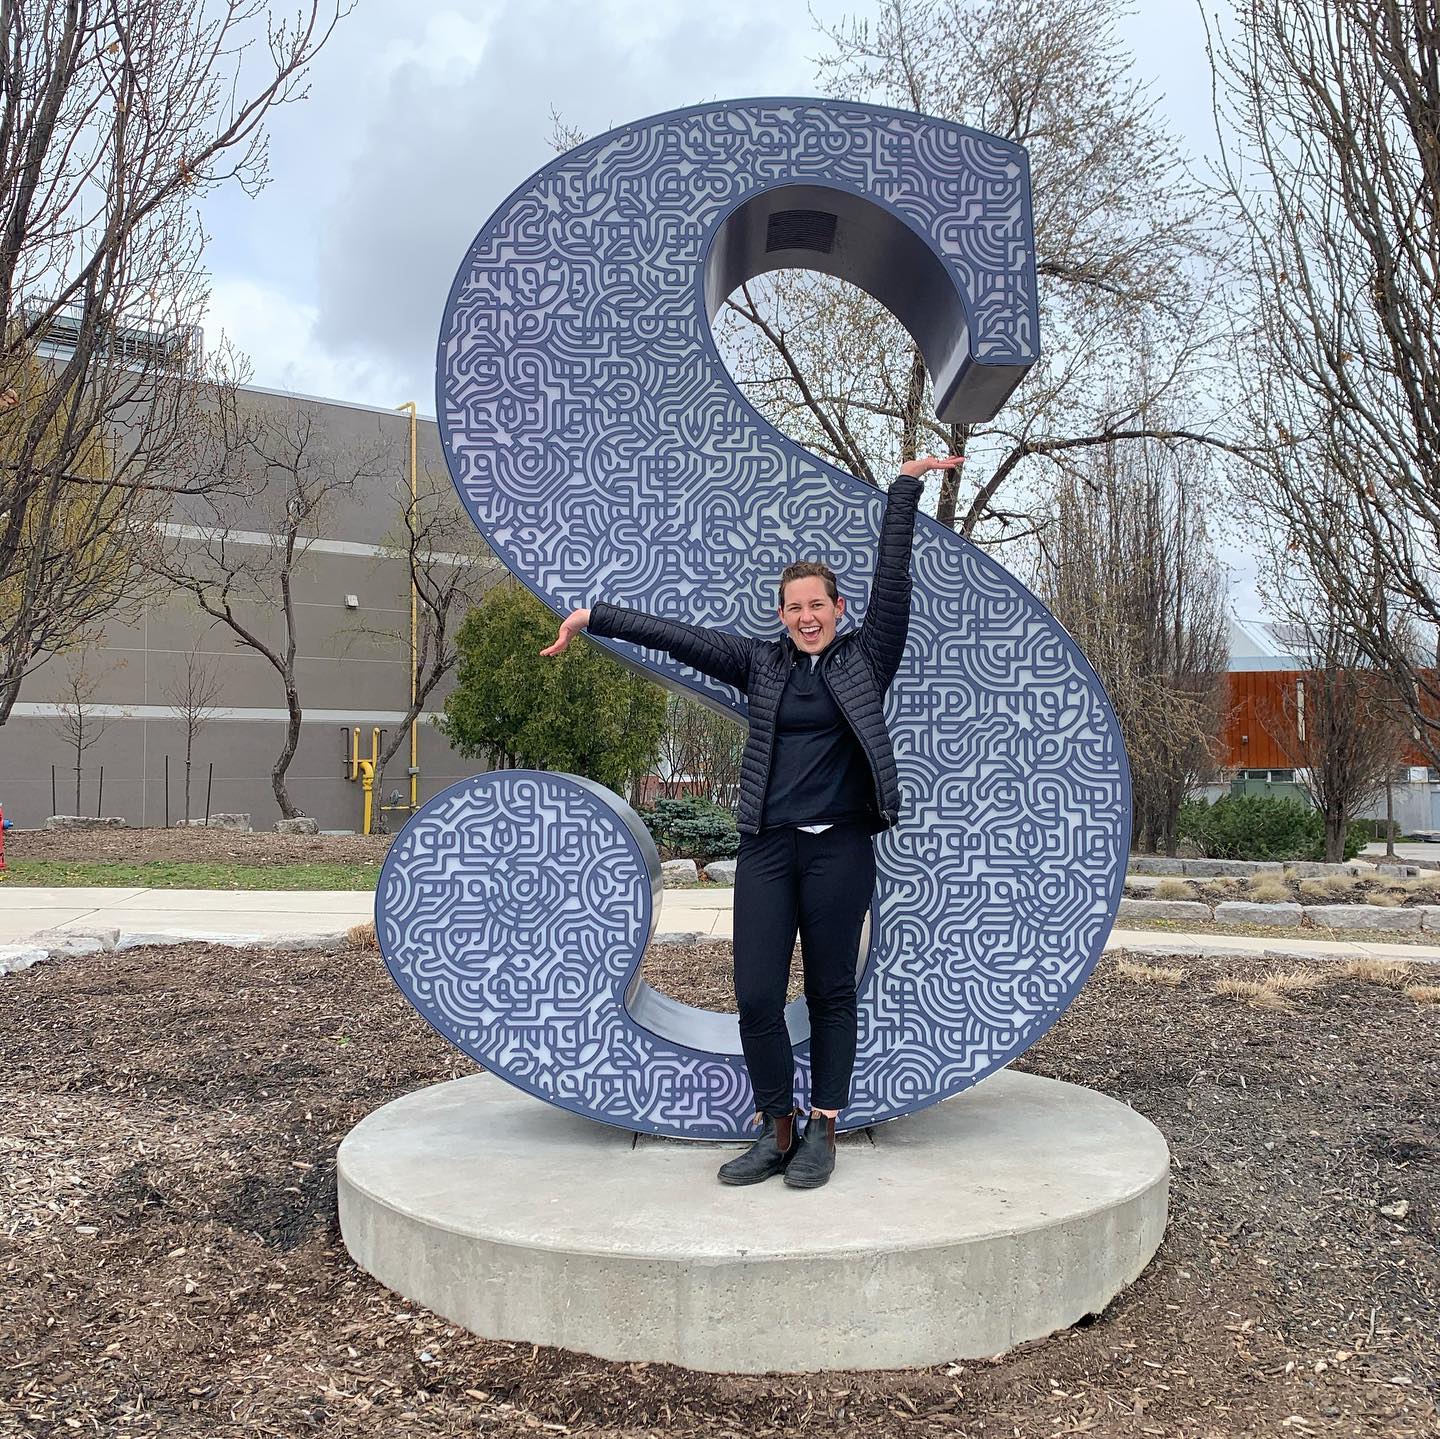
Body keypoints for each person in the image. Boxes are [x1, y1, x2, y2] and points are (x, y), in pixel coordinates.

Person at [541, 454, 963, 1188]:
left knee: (832, 990)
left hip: (841, 850)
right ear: (781, 614)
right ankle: (777, 1127)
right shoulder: (761, 663)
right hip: (768, 849)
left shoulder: (869, 658)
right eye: (794, 607)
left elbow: (894, 579)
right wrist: (594, 616)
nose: (806, 616)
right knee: (758, 994)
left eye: (817, 605)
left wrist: (904, 488)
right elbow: (682, 638)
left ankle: (823, 1129)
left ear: (837, 609)